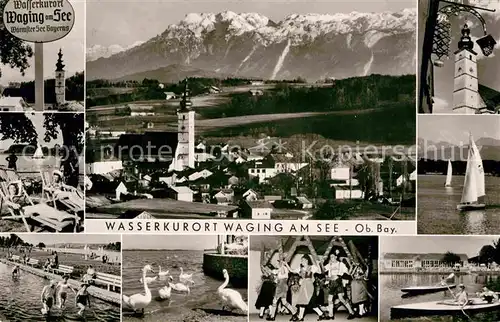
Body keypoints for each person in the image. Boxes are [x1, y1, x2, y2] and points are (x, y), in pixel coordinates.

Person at [287, 254, 320, 321]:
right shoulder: (300, 268)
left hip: (310, 287)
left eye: (303, 260)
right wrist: (286, 264)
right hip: (303, 287)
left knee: (310, 303)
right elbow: (291, 270)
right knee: (304, 302)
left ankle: (320, 314)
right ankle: (301, 317)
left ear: (307, 260)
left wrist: (318, 263)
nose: (301, 261)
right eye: (301, 260)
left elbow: (319, 270)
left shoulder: (312, 267)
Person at [324, 252, 356, 319]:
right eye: (330, 257)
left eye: (332, 256)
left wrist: (352, 266)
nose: (331, 258)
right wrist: (320, 264)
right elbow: (322, 270)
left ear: (336, 257)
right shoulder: (329, 264)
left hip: (338, 282)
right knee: (329, 299)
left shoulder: (340, 264)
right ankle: (331, 315)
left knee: (341, 298)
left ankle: (351, 312)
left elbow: (348, 272)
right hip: (332, 283)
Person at [267, 253, 297, 321]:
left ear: (283, 262)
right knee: (284, 302)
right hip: (283, 285)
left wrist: (276, 270)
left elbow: (279, 272)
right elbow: (277, 274)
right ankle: (294, 313)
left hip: (281, 286)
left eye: (280, 261)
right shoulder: (283, 268)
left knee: (275, 301)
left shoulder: (283, 268)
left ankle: (272, 316)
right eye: (279, 261)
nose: (279, 263)